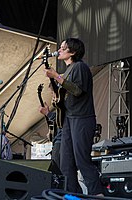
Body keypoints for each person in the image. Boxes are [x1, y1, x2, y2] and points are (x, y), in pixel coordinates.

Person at [44, 38, 103, 195]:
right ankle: (73, 195)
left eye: (64, 47)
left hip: (82, 118)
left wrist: (56, 76)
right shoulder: (69, 70)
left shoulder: (80, 67)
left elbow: (77, 91)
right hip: (69, 119)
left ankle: (97, 194)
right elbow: (66, 95)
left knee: (82, 161)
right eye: (61, 47)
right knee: (66, 164)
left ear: (73, 52)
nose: (60, 49)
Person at [39, 103, 62, 171]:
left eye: (53, 93)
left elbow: (62, 119)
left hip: (60, 142)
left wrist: (48, 113)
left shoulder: (65, 103)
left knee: (57, 169)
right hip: (58, 141)